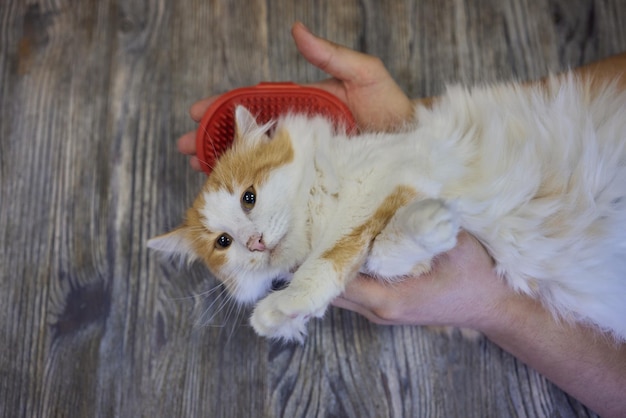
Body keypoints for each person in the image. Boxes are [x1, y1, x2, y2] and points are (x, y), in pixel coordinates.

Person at [177, 22, 626, 417]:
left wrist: (318, 279)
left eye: (250, 197)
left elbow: (394, 179)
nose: (252, 242)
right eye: (223, 243)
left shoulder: (326, 166)